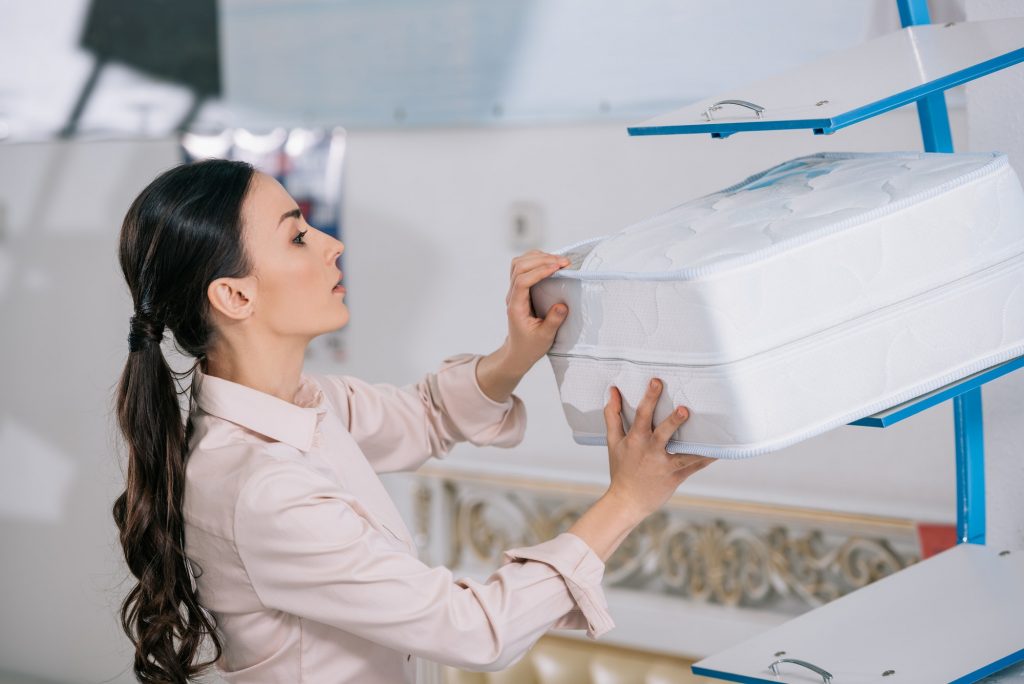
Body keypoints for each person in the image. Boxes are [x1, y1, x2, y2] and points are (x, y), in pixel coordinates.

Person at [111, 158, 714, 683]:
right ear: (235, 296)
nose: (331, 244)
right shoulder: (263, 490)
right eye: (297, 238)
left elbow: (425, 415)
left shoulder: (306, 404)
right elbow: (476, 631)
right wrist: (628, 499)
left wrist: (516, 353)